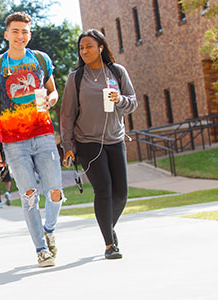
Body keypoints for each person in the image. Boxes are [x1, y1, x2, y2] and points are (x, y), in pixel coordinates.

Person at [0, 11, 65, 267]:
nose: (20, 36)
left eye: (25, 31)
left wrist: (52, 99)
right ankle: (40, 249)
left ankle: (49, 230)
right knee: (29, 195)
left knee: (55, 192)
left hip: (43, 134)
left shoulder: (41, 59)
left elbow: (53, 91)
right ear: (6, 34)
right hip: (12, 140)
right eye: (15, 31)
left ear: (30, 34)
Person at [60, 29, 138, 260]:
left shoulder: (117, 72)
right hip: (88, 142)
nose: (84, 51)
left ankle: (108, 227)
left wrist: (119, 99)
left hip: (115, 139)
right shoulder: (76, 78)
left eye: (89, 47)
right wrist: (68, 147)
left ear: (101, 48)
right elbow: (67, 115)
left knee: (121, 194)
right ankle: (109, 244)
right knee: (103, 189)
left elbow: (132, 102)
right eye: (81, 48)